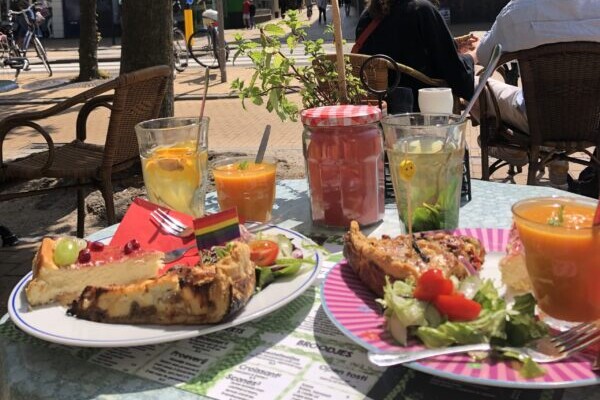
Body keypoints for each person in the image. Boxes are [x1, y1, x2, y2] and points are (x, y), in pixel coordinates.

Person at [470, 0, 600, 186]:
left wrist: (472, 52)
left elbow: (485, 56)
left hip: (535, 120)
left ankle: (519, 150)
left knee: (472, 84)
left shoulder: (518, 9)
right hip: (592, 122)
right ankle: (555, 158)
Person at [355, 0, 475, 107]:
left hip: (378, 108)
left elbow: (396, 46)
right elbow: (458, 78)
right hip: (421, 113)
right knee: (485, 88)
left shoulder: (366, 17)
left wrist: (452, 46)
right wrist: (473, 56)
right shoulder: (422, 10)